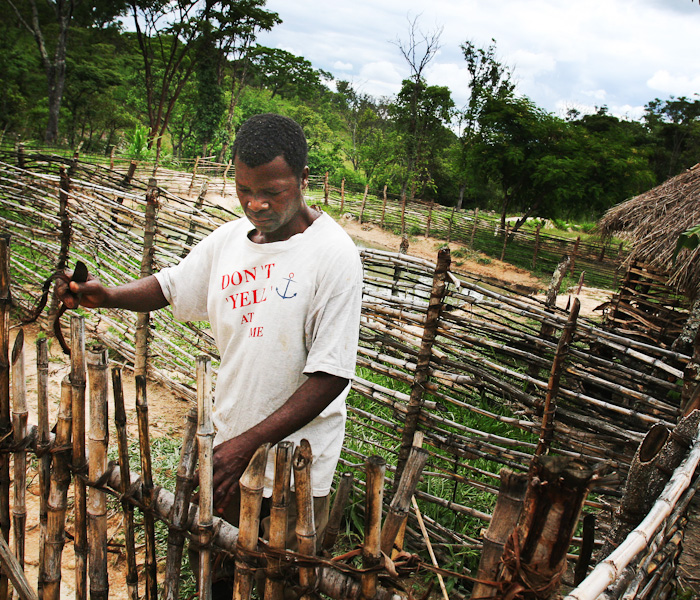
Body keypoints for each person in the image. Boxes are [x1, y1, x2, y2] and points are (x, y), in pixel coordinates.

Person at [57, 113, 363, 593]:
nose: (256, 204)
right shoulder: (229, 242)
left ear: (304, 180)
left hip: (292, 469)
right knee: (220, 580)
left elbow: (330, 376)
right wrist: (110, 295)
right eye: (244, 189)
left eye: (273, 192)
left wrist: (247, 447)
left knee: (274, 586)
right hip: (230, 454)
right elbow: (172, 285)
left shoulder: (334, 256)